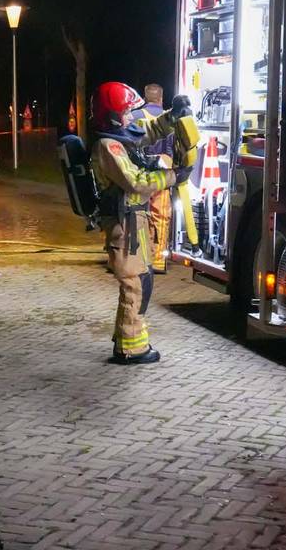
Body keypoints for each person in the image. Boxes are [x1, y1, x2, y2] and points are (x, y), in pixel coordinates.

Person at [90, 82, 192, 364]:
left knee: (143, 280)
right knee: (134, 284)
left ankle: (128, 340)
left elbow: (146, 133)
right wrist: (175, 176)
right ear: (113, 115)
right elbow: (136, 182)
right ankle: (130, 349)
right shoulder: (108, 146)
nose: (130, 118)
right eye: (126, 113)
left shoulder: (118, 137)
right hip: (125, 226)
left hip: (134, 222)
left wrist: (173, 116)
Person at [134, 83, 174, 274]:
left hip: (139, 175)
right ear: (161, 98)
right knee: (160, 216)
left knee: (138, 215)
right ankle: (157, 260)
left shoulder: (135, 117)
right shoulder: (169, 118)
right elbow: (174, 149)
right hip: (162, 175)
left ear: (145, 97)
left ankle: (140, 257)